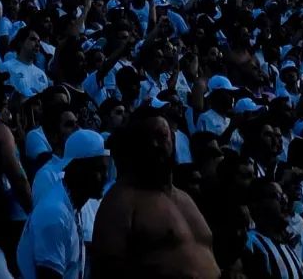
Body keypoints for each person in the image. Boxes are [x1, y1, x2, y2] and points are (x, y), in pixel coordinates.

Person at [92, 110, 220, 278]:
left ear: (173, 140)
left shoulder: (185, 198)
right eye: (145, 139)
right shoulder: (121, 201)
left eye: (161, 136)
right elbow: (106, 269)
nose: (154, 144)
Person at [17, 129, 109, 279]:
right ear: (77, 169)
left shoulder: (73, 205)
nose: (105, 177)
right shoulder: (55, 214)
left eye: (106, 169)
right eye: (99, 169)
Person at [243, 178, 303, 279]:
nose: (284, 201)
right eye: (276, 196)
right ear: (256, 204)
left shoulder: (287, 247)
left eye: (283, 196)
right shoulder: (251, 243)